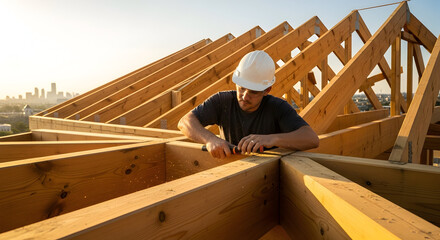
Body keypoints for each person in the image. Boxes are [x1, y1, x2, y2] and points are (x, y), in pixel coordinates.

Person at [178, 50, 319, 159]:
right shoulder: (223, 101)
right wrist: (210, 139)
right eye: (242, 88)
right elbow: (185, 121)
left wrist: (273, 139)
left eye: (253, 92)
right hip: (231, 170)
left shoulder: (277, 108)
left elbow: (311, 139)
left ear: (267, 90)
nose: (245, 96)